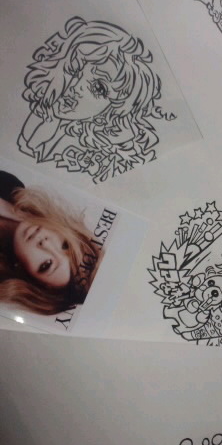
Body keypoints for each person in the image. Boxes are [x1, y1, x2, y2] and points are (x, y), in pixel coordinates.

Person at [18, 16, 170, 183]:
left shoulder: (117, 155)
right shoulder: (42, 117)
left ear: (117, 105)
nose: (75, 87)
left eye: (98, 88)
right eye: (74, 69)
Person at [0, 169, 102, 316]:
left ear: (26, 275)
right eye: (65, 245)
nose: (45, 243)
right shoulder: (11, 186)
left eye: (46, 265)